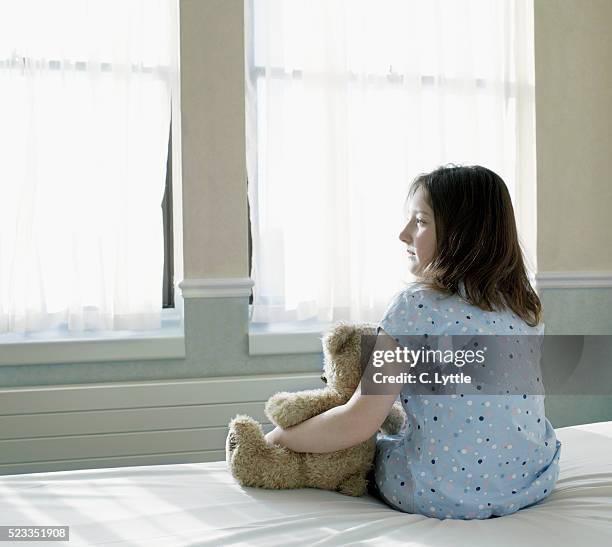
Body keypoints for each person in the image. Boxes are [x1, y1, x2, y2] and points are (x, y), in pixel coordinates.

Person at [264, 164, 561, 520]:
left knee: (376, 447)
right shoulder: (524, 305)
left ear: (461, 234)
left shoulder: (416, 306)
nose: (404, 234)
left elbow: (359, 422)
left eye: (420, 222)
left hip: (436, 493)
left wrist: (276, 440)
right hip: (531, 482)